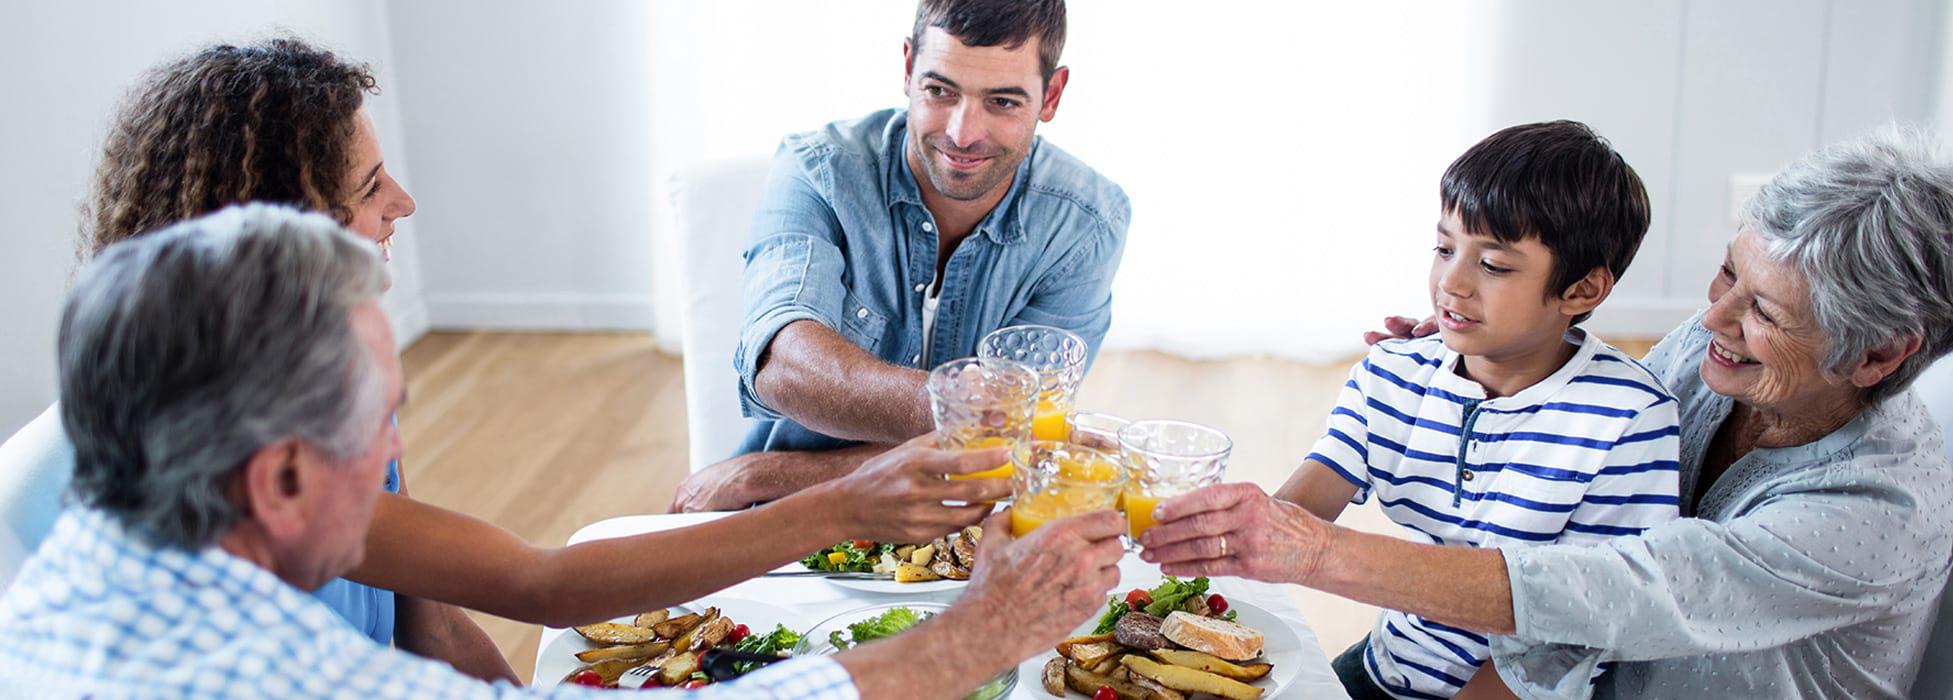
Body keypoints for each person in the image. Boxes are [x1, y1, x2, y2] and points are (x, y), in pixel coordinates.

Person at [59, 37, 1018, 677]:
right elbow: (544, 584)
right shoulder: (253, 490)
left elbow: (428, 619)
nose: (404, 200)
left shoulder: (313, 397)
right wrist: (856, 515)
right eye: (366, 183)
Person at [0, 204, 1127, 698]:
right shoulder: (276, 675)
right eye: (384, 414)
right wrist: (971, 636)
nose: (397, 444)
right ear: (282, 477)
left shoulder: (73, 561)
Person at [1140, 126, 1953, 699]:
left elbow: (1612, 590)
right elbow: (1588, 415)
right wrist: (1494, 339)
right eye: (1729, 274)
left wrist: (1313, 550)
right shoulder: (1716, 351)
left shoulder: (1879, 515)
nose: (1711, 319)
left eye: (1765, 313)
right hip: (1488, 661)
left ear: (1878, 355)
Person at [1272, 121, 1681, 699]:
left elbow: (1579, 629)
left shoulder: (1629, 419)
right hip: (1391, 664)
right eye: (1444, 248)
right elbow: (1294, 516)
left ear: (1582, 291)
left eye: (1493, 265)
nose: (1452, 284)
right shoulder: (1393, 372)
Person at [672, 0, 1131, 512]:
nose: (963, 133)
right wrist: (953, 408)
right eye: (940, 90)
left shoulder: (1088, 222)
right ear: (909, 68)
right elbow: (782, 367)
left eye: (1002, 102)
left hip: (972, 531)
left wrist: (770, 474)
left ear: (1051, 94)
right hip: (792, 526)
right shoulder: (816, 173)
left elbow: (1012, 450)